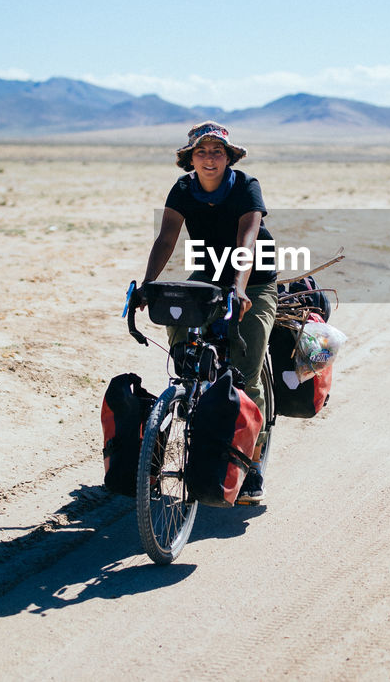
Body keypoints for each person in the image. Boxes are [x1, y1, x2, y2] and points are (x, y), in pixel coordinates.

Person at [133, 120, 278, 505]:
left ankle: (252, 464)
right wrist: (147, 283)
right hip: (210, 274)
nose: (209, 158)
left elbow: (246, 241)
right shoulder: (183, 189)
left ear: (229, 156)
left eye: (217, 151)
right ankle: (190, 395)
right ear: (190, 158)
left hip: (255, 277)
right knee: (182, 329)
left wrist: (242, 288)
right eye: (202, 151)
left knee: (246, 375)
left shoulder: (246, 186)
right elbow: (167, 237)